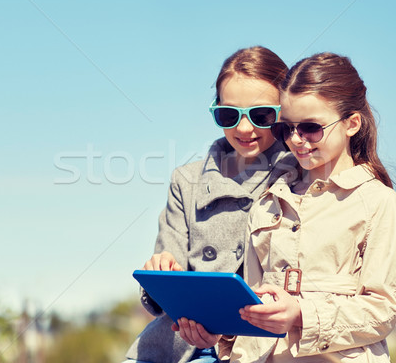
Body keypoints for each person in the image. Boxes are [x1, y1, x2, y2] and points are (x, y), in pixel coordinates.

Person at [177, 52, 396, 362]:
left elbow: (382, 311)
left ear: (352, 123)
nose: (297, 140)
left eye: (311, 128)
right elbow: (254, 301)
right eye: (286, 129)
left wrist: (300, 314)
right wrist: (218, 331)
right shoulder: (268, 201)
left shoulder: (379, 202)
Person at [124, 46, 297, 363]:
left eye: (260, 115)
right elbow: (167, 283)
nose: (244, 129)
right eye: (229, 115)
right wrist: (160, 273)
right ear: (215, 110)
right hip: (177, 345)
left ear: (284, 112)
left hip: (257, 349)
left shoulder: (304, 177)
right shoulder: (185, 182)